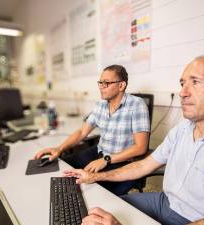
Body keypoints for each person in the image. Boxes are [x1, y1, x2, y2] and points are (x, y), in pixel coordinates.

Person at [64, 55, 204, 225]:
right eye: (182, 83)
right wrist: (97, 177)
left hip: (197, 218)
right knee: (99, 211)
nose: (183, 92)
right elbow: (143, 166)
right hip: (166, 202)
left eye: (195, 82)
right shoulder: (182, 129)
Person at [34, 64, 150, 195]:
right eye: (100, 82)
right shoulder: (101, 104)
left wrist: (106, 159)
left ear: (121, 86)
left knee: (90, 190)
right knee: (65, 167)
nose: (101, 86)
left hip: (121, 162)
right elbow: (83, 132)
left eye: (106, 83)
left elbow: (141, 147)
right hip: (99, 152)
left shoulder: (137, 105)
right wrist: (59, 148)